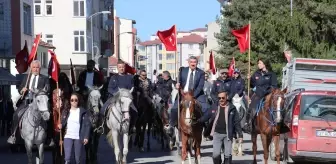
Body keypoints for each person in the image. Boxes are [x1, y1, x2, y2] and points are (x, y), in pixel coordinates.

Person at [7, 60, 50, 145]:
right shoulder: (27, 77)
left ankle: (49, 138)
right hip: (26, 101)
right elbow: (20, 89)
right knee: (16, 114)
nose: (35, 69)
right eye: (34, 67)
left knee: (47, 116)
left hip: (39, 104)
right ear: (31, 68)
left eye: (37, 67)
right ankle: (14, 135)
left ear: (40, 68)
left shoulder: (44, 78)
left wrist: (39, 92)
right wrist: (22, 90)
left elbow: (47, 89)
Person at [168, 56, 209, 135]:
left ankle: (206, 126)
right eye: (191, 62)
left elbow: (200, 87)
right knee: (174, 109)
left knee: (206, 107)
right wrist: (177, 85)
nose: (193, 64)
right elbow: (179, 81)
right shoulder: (183, 71)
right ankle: (172, 126)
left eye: (195, 62)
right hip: (183, 94)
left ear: (197, 63)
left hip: (197, 95)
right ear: (189, 63)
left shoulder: (201, 73)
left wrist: (192, 96)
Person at [203, 90, 243, 164]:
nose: (221, 99)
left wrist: (240, 135)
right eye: (219, 98)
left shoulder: (232, 108)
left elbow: (236, 122)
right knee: (216, 154)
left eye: (223, 98)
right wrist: (197, 121)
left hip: (228, 134)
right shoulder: (214, 106)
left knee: (228, 154)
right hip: (217, 134)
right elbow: (206, 116)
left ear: (226, 97)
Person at [100, 60, 137, 133]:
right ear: (117, 68)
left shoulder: (129, 77)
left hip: (126, 98)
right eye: (120, 67)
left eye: (123, 67)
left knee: (135, 111)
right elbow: (109, 88)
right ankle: (102, 125)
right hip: (114, 98)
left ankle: (132, 127)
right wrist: (115, 94)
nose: (121, 68)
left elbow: (132, 88)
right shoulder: (113, 77)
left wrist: (128, 94)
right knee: (103, 109)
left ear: (125, 67)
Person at [243, 58, 277, 133]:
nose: (258, 65)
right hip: (257, 95)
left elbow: (274, 86)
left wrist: (266, 91)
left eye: (260, 63)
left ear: (264, 64)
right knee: (251, 107)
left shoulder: (271, 74)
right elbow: (252, 84)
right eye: (258, 63)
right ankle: (247, 124)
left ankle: (277, 124)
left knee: (276, 107)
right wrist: (249, 79)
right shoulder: (256, 73)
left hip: (268, 95)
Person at [58, 93, 91, 164]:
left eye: (75, 100)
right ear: (70, 101)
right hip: (68, 136)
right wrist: (60, 125)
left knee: (78, 159)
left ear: (78, 101)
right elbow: (63, 123)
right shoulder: (66, 111)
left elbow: (87, 125)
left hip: (78, 137)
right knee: (67, 158)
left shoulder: (82, 111)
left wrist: (86, 137)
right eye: (72, 100)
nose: (74, 102)